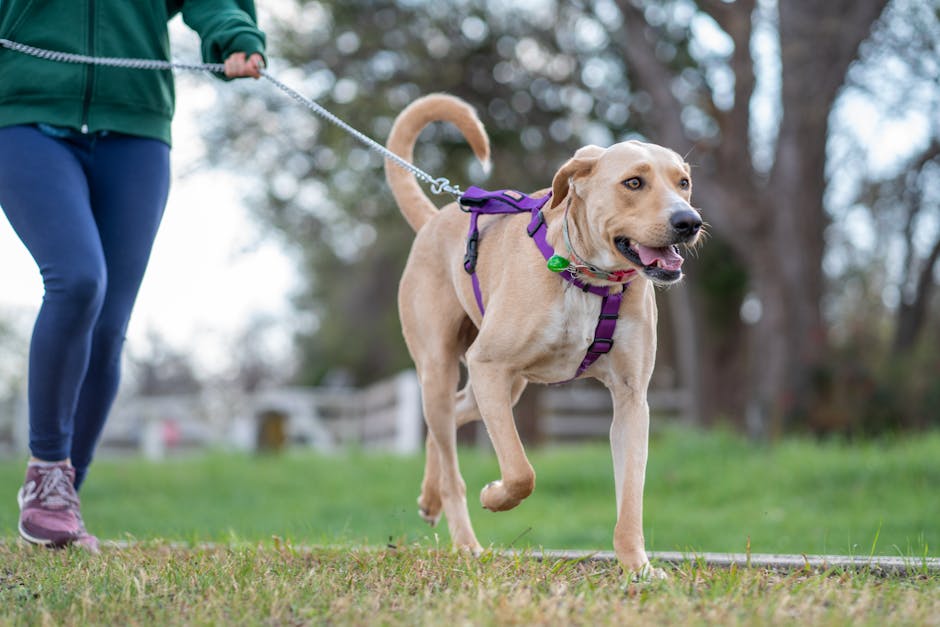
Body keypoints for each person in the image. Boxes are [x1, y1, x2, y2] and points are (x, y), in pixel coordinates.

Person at [0, 1, 266, 551]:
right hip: (23, 111)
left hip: (136, 126)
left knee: (107, 328)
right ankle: (47, 474)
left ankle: (64, 499)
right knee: (77, 280)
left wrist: (233, 33)